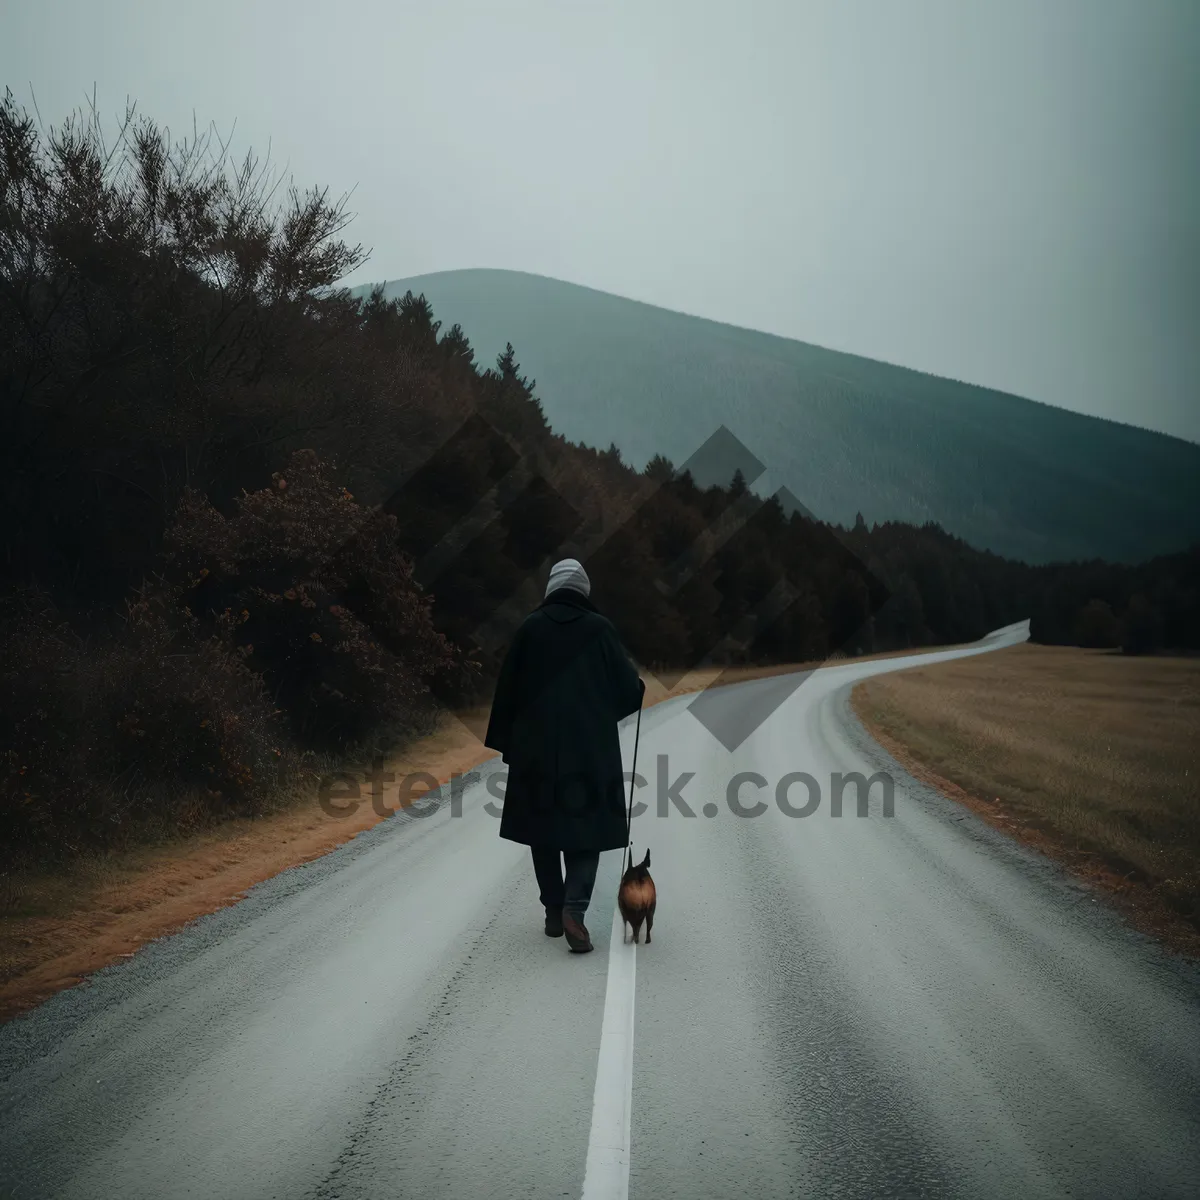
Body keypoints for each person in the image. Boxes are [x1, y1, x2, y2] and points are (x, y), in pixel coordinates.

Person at [484, 557, 645, 953]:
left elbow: (506, 693)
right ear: (584, 592)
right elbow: (628, 692)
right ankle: (575, 909)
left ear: (551, 590)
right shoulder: (600, 630)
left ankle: (554, 911)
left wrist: (510, 746)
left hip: (535, 751)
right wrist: (629, 693)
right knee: (585, 833)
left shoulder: (529, 629)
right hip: (589, 750)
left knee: (543, 831)